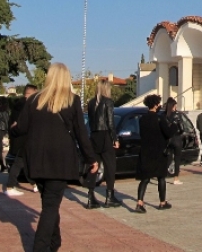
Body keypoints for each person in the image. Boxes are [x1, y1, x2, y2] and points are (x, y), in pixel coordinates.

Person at [14, 63, 98, 252]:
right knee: (50, 206)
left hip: (36, 159)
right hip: (60, 161)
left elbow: (21, 127)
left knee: (49, 203)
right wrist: (91, 158)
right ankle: (40, 247)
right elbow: (81, 133)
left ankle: (54, 241)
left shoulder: (34, 100)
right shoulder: (72, 100)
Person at [135, 94, 175, 213]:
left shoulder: (142, 119)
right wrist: (174, 125)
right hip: (159, 152)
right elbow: (168, 133)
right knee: (161, 177)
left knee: (145, 178)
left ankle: (139, 202)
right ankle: (162, 202)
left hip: (146, 151)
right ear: (156, 104)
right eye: (158, 104)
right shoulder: (159, 118)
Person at [85, 79, 121, 209]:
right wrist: (115, 138)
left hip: (94, 135)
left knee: (94, 166)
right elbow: (110, 122)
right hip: (105, 135)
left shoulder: (91, 103)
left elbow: (89, 121)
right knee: (110, 166)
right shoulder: (108, 102)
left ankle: (90, 196)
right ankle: (109, 196)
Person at [5, 85, 38, 196]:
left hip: (20, 138)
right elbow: (23, 123)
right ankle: (10, 186)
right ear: (30, 93)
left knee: (25, 163)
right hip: (23, 139)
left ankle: (34, 184)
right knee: (19, 162)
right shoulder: (26, 105)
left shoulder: (18, 104)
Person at [163, 98, 185, 185]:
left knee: (168, 157)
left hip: (168, 139)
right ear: (174, 106)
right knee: (177, 158)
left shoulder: (164, 115)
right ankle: (176, 178)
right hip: (176, 138)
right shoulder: (177, 115)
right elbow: (182, 128)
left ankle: (164, 175)